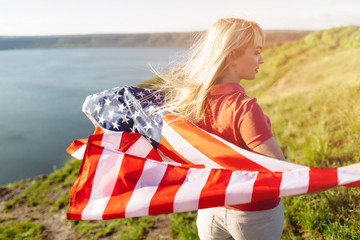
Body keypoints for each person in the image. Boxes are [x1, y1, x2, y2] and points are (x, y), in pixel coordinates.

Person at [155, 17, 286, 240]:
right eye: (256, 52)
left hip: (210, 208)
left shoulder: (190, 102)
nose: (261, 59)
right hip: (253, 214)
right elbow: (281, 171)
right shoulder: (243, 108)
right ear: (232, 56)